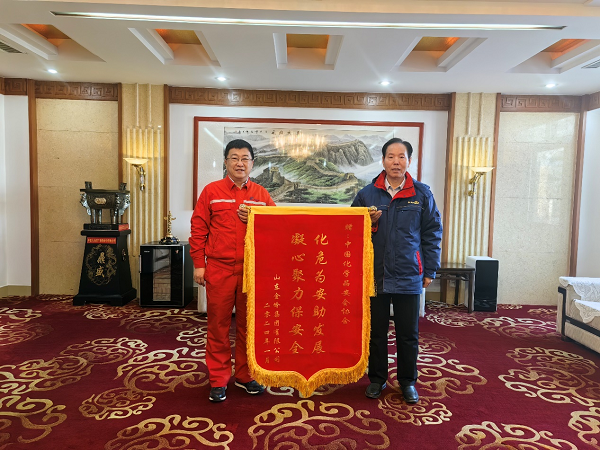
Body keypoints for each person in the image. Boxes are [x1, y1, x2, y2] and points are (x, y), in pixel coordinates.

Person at [351, 137, 442, 403]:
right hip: (376, 274)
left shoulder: (422, 194)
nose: (396, 162)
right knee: (376, 332)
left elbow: (432, 233)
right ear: (383, 161)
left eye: (401, 157)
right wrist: (367, 223)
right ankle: (377, 379)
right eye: (390, 156)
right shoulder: (367, 195)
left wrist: (430, 269)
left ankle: (407, 381)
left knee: (408, 334)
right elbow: (350, 232)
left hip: (409, 273)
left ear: (409, 161)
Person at [190, 139, 276, 402]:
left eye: (245, 158)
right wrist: (199, 265)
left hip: (251, 271)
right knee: (218, 325)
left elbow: (276, 228)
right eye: (235, 158)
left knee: (249, 326)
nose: (240, 163)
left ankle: (245, 375)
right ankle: (218, 379)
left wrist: (257, 220)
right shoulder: (211, 191)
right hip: (219, 269)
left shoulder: (261, 194)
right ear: (226, 162)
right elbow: (198, 229)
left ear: (252, 163)